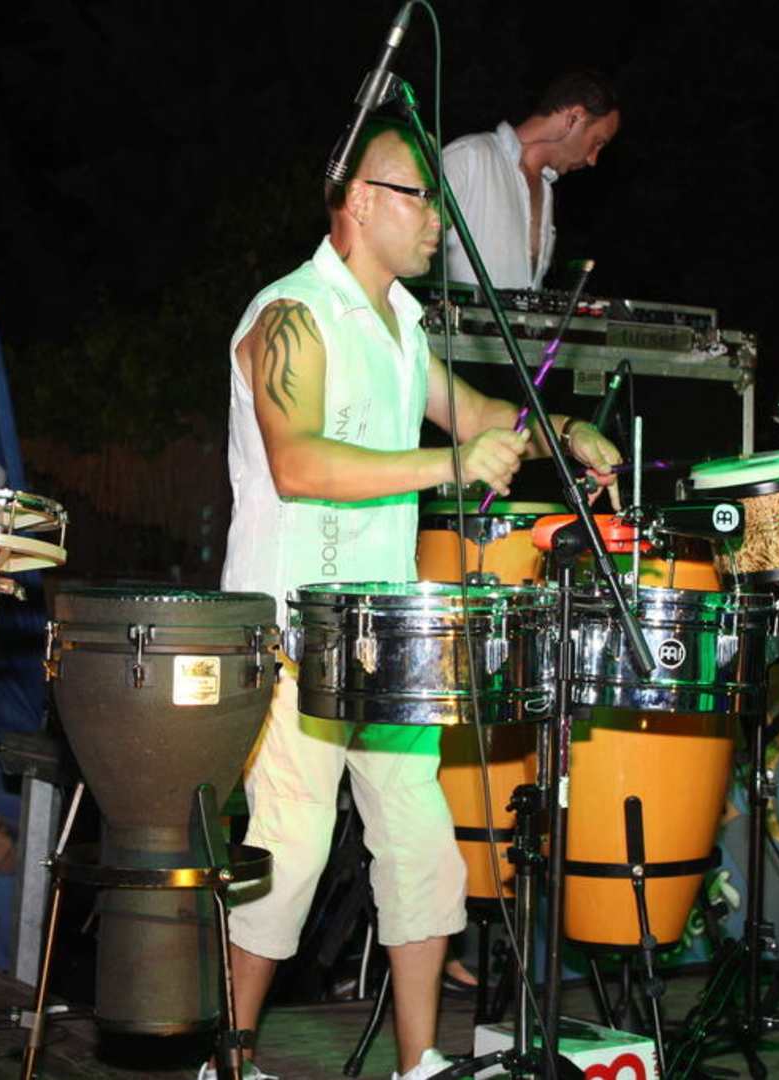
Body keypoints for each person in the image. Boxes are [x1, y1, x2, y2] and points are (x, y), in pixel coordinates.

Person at [212, 117, 621, 1080]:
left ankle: (419, 1065)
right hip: (293, 635)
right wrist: (449, 463)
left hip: (387, 640)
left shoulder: (401, 321)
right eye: (419, 197)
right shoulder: (290, 315)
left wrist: (563, 429)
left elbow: (477, 412)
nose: (438, 218)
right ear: (359, 202)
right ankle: (227, 1064)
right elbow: (299, 462)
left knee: (424, 852)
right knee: (290, 852)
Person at [440, 69, 621, 291]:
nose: (593, 159)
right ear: (574, 118)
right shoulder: (468, 158)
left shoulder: (546, 191)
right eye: (597, 142)